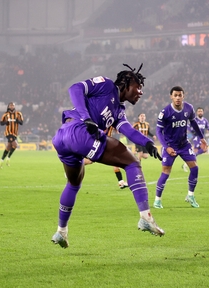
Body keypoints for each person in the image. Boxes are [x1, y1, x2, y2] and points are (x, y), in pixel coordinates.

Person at [50, 64, 164, 248]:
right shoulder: (106, 85)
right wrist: (87, 118)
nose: (141, 92)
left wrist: (147, 142)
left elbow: (128, 130)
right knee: (132, 163)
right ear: (127, 83)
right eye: (138, 87)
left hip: (62, 138)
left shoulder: (119, 111)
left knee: (73, 183)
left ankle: (61, 231)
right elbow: (75, 88)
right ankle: (145, 217)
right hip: (78, 130)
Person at [153, 86, 204, 209]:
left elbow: (194, 124)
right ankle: (157, 200)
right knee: (165, 173)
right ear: (171, 96)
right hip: (170, 146)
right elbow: (158, 131)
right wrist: (166, 147)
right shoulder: (165, 112)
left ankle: (190, 195)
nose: (177, 98)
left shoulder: (189, 108)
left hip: (184, 144)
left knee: (195, 168)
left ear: (183, 96)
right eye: (175, 95)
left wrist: (202, 138)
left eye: (179, 95)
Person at [0, 102, 24, 168]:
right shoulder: (5, 114)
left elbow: (21, 122)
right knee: (15, 145)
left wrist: (17, 121)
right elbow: (1, 123)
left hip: (15, 133)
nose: (12, 106)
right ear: (8, 106)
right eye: (11, 105)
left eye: (13, 105)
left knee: (9, 146)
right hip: (8, 133)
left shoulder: (18, 113)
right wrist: (6, 122)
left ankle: (1, 160)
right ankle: (8, 158)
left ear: (15, 106)